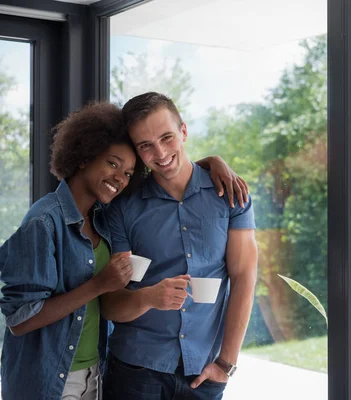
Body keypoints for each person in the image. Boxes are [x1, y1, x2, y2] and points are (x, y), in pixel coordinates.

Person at [0, 102, 247, 400]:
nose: (120, 178)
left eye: (128, 172)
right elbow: (20, 320)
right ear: (84, 157)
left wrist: (210, 163)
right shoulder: (44, 221)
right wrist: (100, 285)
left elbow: (168, 166)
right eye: (113, 163)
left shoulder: (101, 216)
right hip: (51, 377)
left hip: (94, 372)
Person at [101, 92, 258, 400]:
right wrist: (148, 297)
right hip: (134, 371)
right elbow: (109, 304)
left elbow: (244, 278)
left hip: (203, 373)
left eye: (167, 137)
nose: (160, 153)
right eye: (145, 145)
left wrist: (226, 363)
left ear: (184, 131)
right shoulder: (123, 209)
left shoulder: (230, 196)